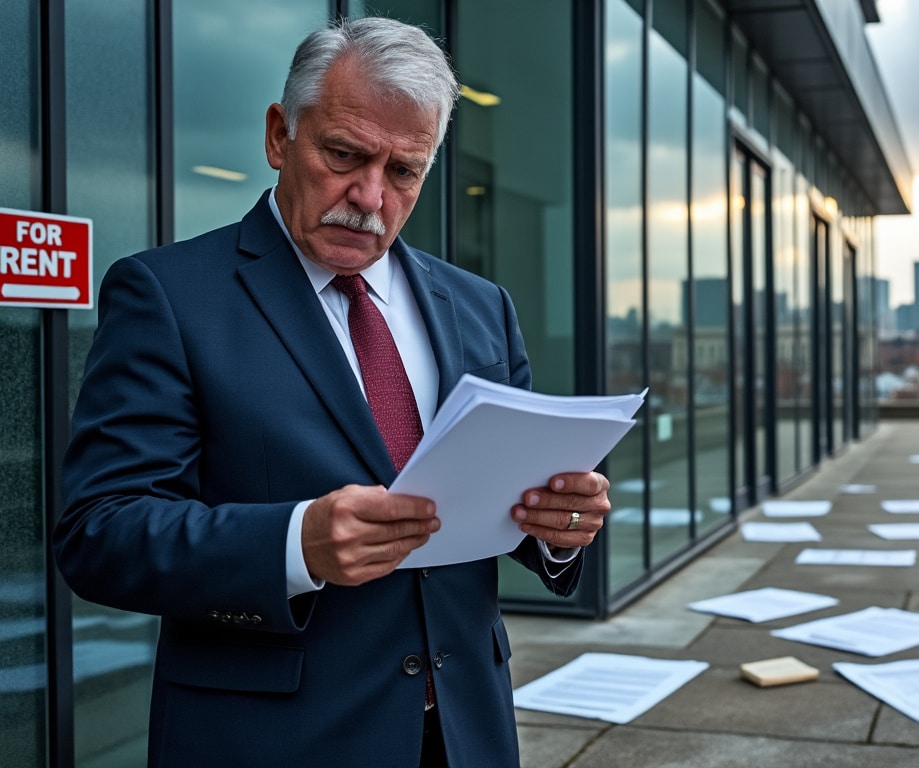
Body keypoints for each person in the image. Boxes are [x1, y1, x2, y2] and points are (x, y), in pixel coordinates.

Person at [53, 17, 608, 768]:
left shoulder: (482, 306)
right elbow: (100, 532)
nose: (370, 197)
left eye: (404, 171)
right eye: (344, 155)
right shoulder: (167, 296)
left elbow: (508, 503)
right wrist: (294, 544)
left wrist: (557, 526)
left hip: (467, 732)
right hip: (273, 741)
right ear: (281, 136)